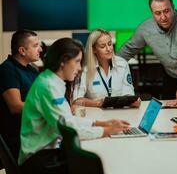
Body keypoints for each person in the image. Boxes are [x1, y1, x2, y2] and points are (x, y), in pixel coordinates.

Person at [19, 38, 130, 173]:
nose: (79, 68)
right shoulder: (48, 87)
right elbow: (69, 130)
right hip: (39, 160)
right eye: (77, 62)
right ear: (63, 62)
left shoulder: (53, 81)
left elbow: (68, 120)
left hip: (48, 152)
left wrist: (101, 123)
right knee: (100, 164)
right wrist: (106, 131)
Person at [117, 0, 177, 99]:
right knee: (167, 110)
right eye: (158, 13)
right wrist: (108, 71)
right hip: (170, 76)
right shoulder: (146, 29)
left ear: (173, 8)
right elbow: (126, 51)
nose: (163, 17)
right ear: (152, 13)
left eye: (166, 11)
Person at [0, 29, 42, 161]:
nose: (40, 49)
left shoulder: (31, 69)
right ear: (22, 51)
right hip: (19, 139)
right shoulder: (7, 69)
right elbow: (16, 106)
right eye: (35, 46)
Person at [73, 28, 140, 108]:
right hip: (95, 115)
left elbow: (128, 93)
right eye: (103, 46)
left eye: (109, 44)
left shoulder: (122, 64)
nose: (109, 49)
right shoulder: (84, 69)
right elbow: (77, 100)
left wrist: (133, 102)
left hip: (119, 114)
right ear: (94, 49)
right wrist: (97, 103)